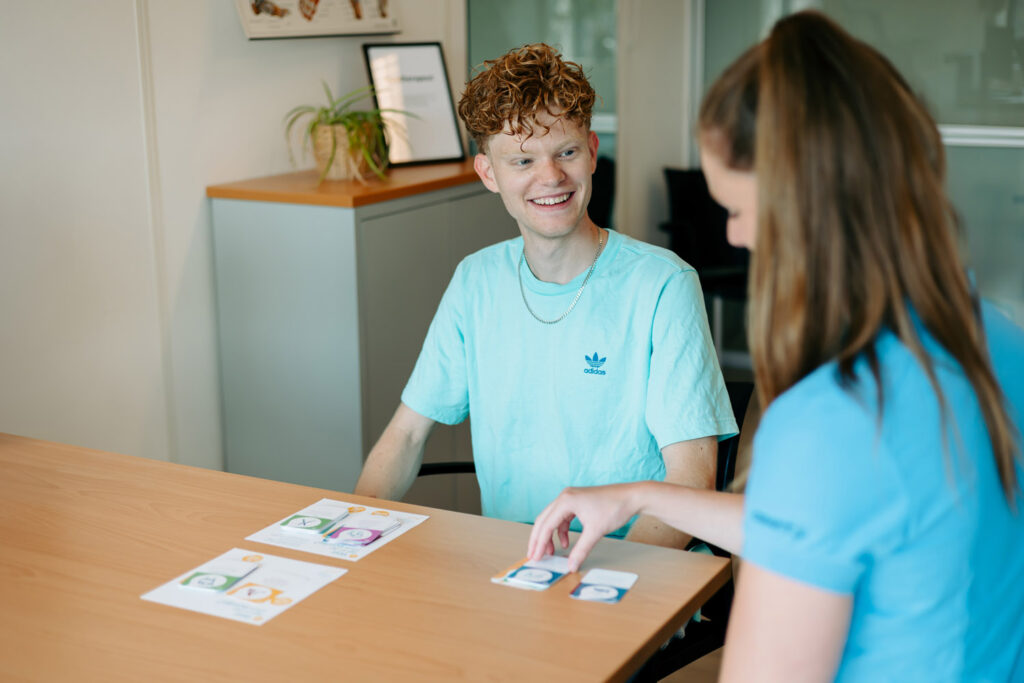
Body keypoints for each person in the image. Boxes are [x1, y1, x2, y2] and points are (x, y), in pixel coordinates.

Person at [528, 11, 1024, 681]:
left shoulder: (830, 416)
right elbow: (832, 522)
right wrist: (638, 495)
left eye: (735, 207)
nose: (733, 237)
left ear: (804, 209)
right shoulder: (989, 336)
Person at [354, 43, 737, 550]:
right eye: (522, 160)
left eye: (567, 152)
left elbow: (690, 482)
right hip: (513, 574)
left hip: (630, 575)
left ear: (593, 152)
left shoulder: (663, 285)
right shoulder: (476, 280)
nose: (551, 177)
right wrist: (350, 532)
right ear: (489, 174)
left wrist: (599, 597)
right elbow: (405, 437)